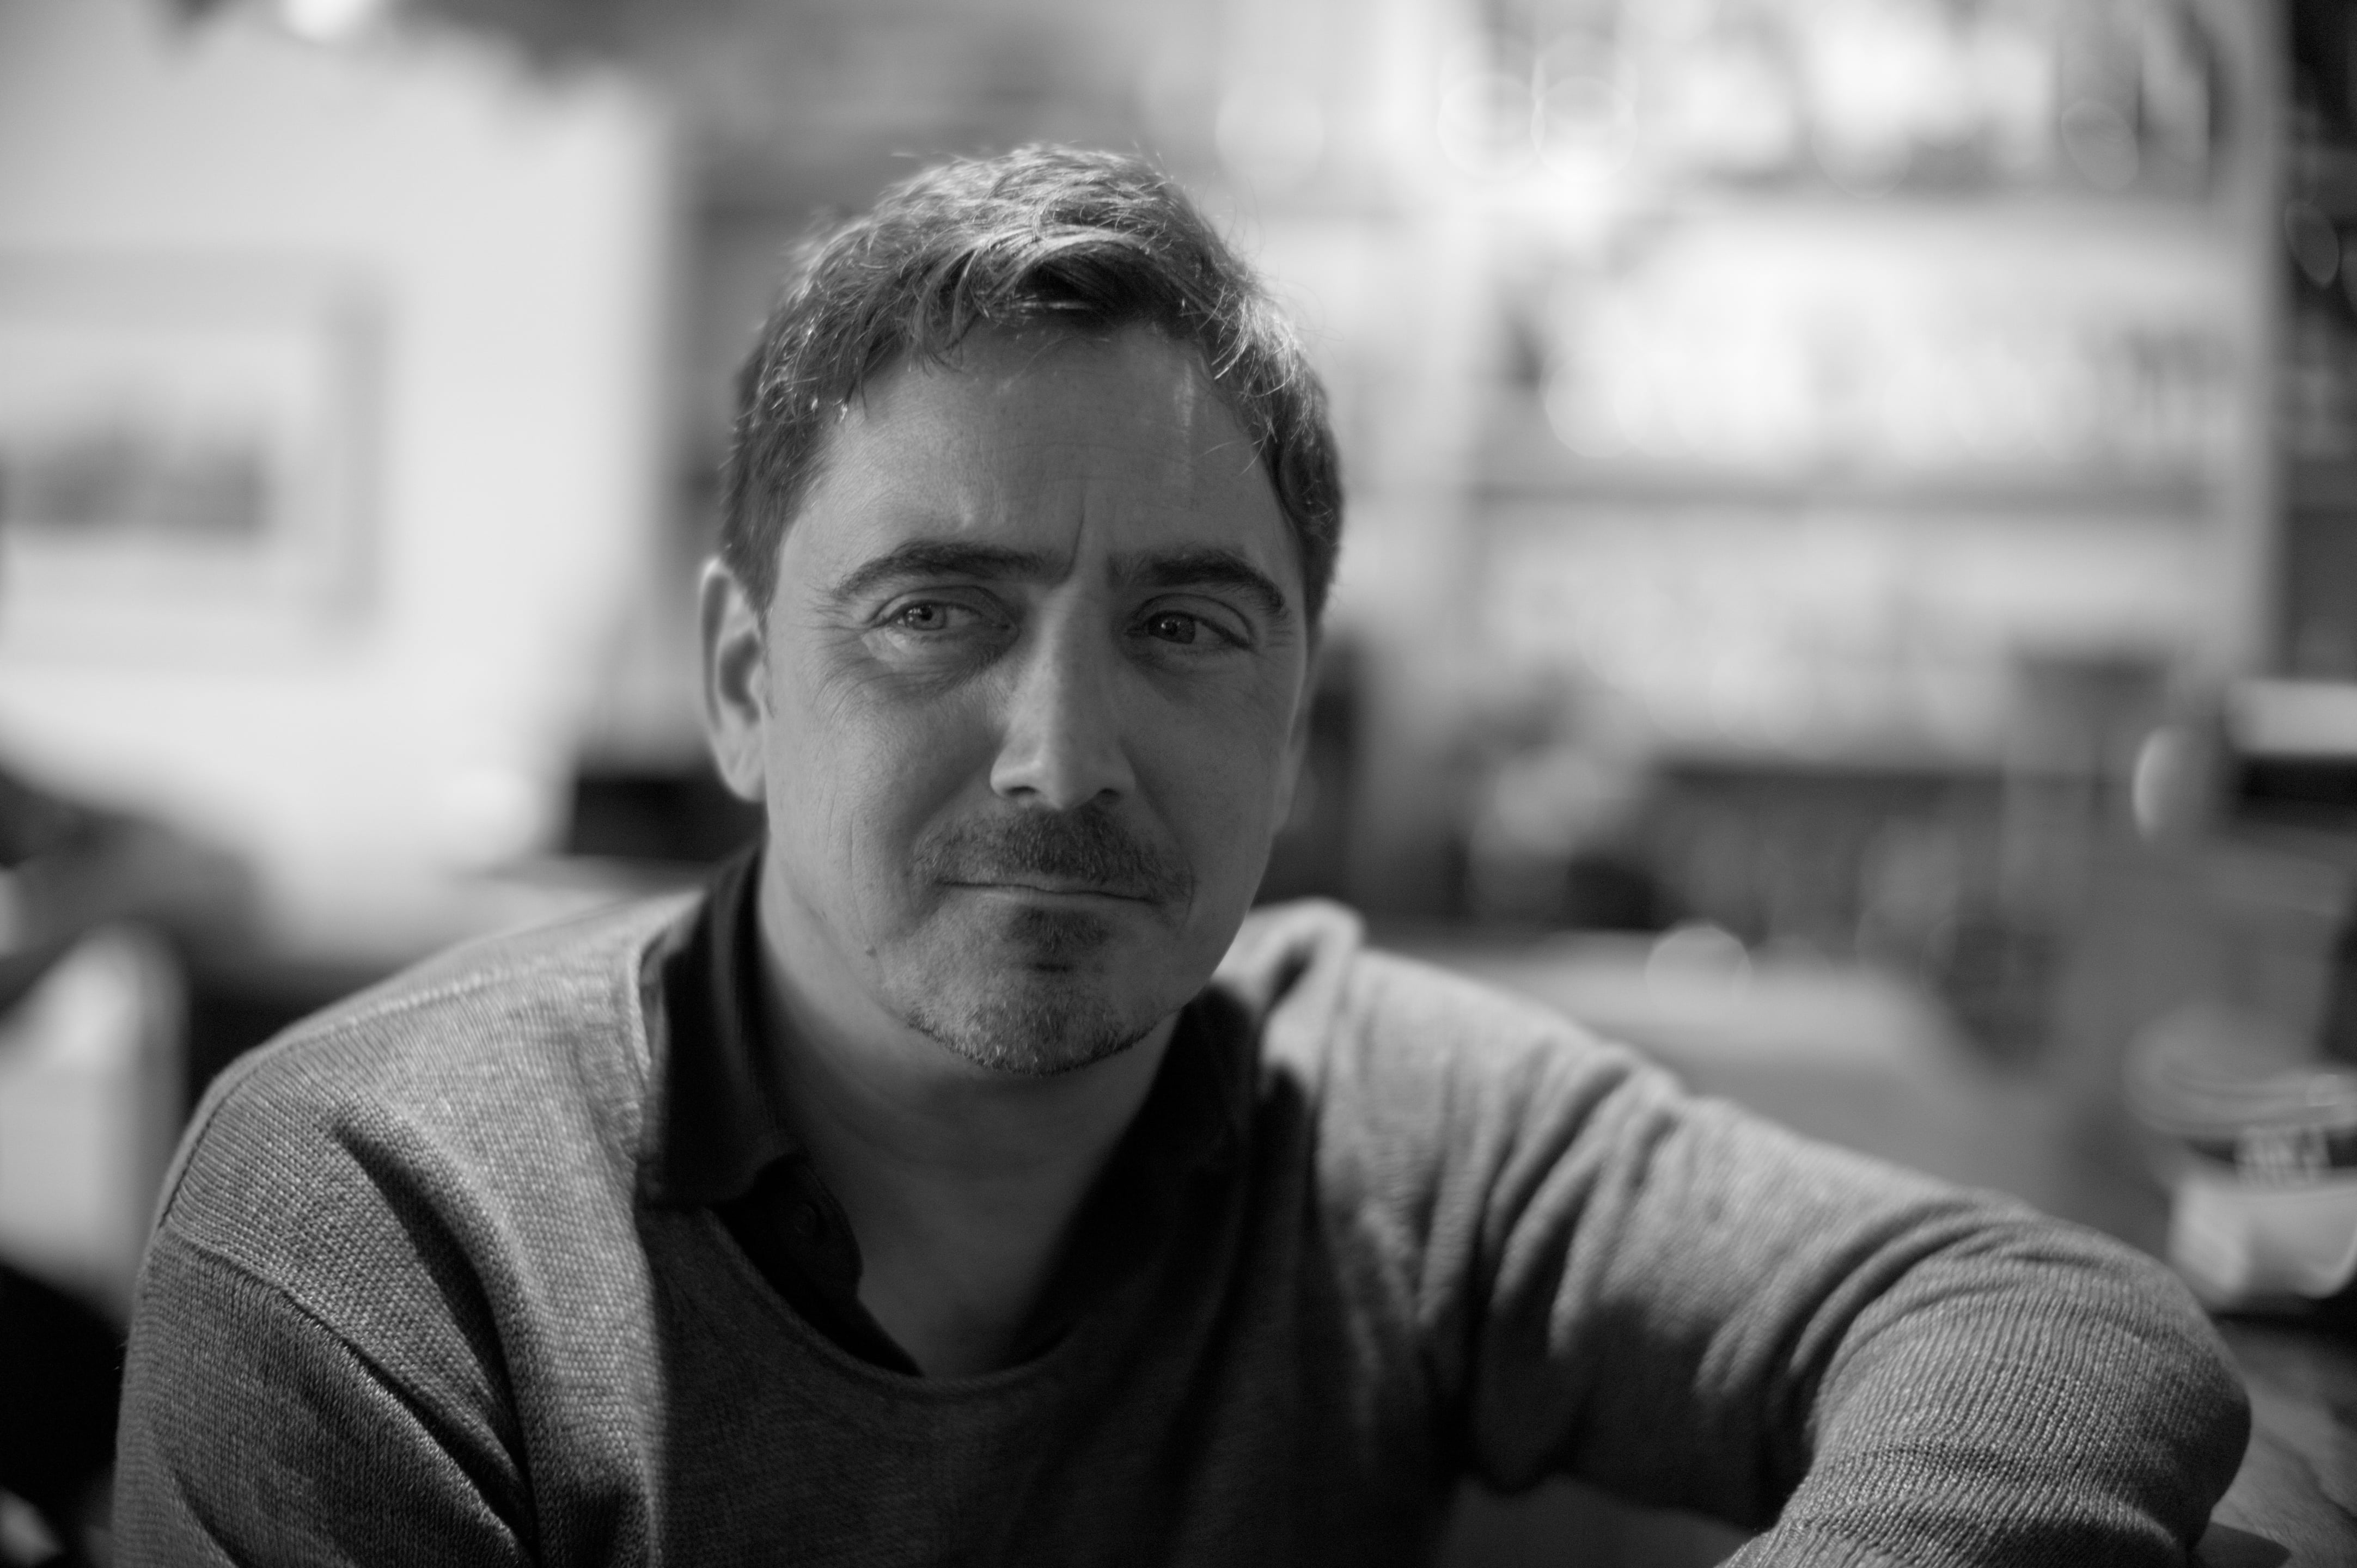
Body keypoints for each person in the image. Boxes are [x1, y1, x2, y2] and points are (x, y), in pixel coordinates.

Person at [114, 146, 2247, 1565]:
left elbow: (2050, 1319)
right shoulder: (381, 1221)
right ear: (744, 684)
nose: (1063, 756)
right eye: (935, 611)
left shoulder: (1389, 1121)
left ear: (1295, 720)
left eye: (1187, 628)